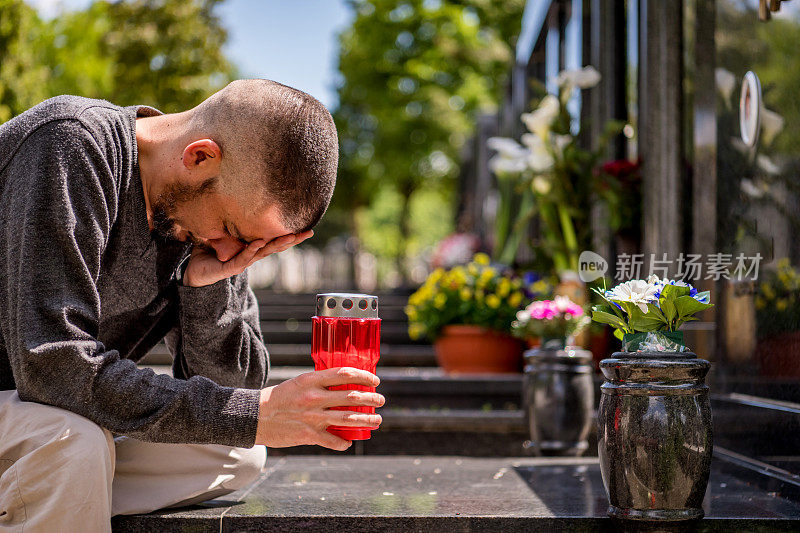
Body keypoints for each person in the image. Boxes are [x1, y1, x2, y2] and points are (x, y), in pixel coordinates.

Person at [0, 79, 384, 532]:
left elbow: (233, 388)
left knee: (236, 451)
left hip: (41, 413)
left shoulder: (203, 221)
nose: (229, 253)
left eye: (251, 246)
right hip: (37, 401)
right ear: (200, 156)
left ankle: (60, 496)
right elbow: (53, 367)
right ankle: (63, 485)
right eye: (231, 231)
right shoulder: (72, 144)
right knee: (73, 443)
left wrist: (205, 290)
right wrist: (256, 413)